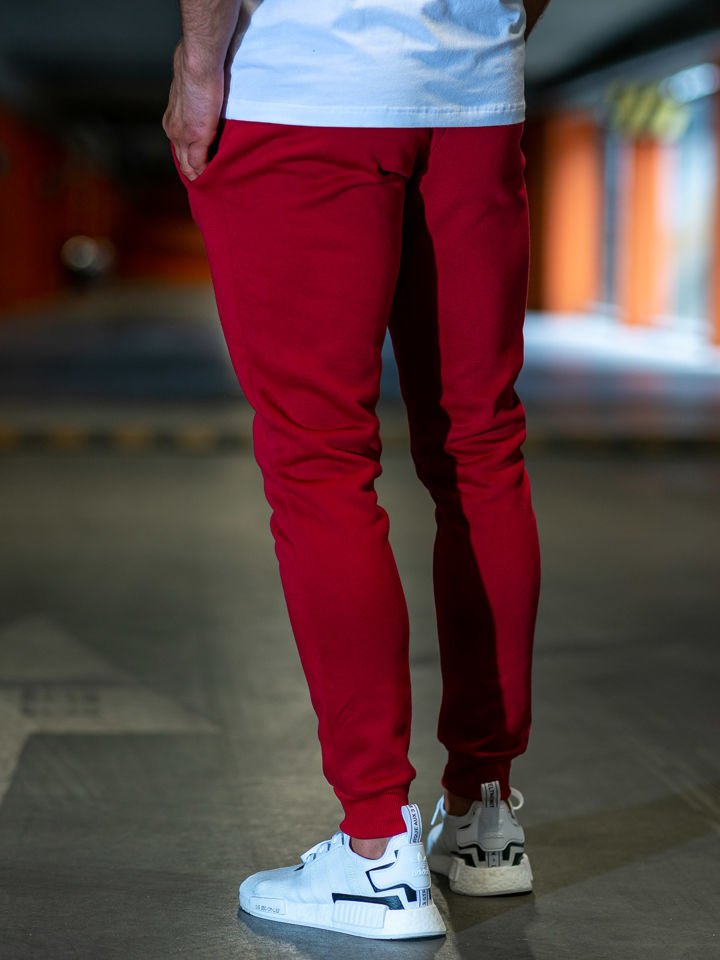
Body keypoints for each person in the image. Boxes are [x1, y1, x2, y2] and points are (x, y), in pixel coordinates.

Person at [163, 0, 551, 941]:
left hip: (307, 91)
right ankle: (484, 818)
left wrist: (200, 64)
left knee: (319, 459)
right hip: (473, 98)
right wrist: (476, 38)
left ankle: (377, 852)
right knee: (481, 449)